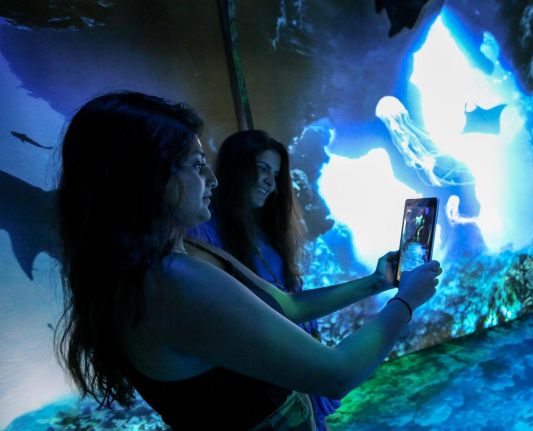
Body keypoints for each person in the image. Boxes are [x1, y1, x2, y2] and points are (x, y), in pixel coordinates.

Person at [55, 91, 441, 430]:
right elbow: (336, 373)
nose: (213, 180)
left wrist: (376, 282)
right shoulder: (173, 280)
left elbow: (285, 305)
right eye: (195, 165)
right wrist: (405, 302)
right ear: (146, 176)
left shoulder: (179, 253)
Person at [187, 129, 393, 429]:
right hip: (265, 384)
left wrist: (379, 281)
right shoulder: (204, 235)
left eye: (275, 173)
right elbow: (287, 307)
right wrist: (398, 297)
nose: (271, 182)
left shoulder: (267, 229)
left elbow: (290, 305)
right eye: (262, 169)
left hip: (296, 367)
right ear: (236, 168)